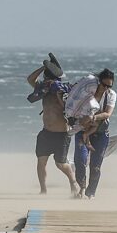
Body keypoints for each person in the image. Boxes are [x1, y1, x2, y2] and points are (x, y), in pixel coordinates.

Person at [26, 63, 78, 196]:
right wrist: (44, 67)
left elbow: (69, 108)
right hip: (46, 133)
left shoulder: (63, 90)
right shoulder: (43, 89)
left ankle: (73, 181)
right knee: (41, 162)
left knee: (60, 164)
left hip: (62, 134)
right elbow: (30, 79)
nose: (48, 81)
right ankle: (43, 190)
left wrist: (59, 95)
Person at [70, 69, 116, 199]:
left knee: (95, 166)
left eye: (109, 86)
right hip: (82, 130)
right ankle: (81, 188)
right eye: (104, 85)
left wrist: (92, 117)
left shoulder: (111, 95)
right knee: (80, 160)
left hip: (101, 133)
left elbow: (107, 113)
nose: (106, 88)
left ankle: (91, 193)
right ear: (98, 82)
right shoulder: (88, 91)